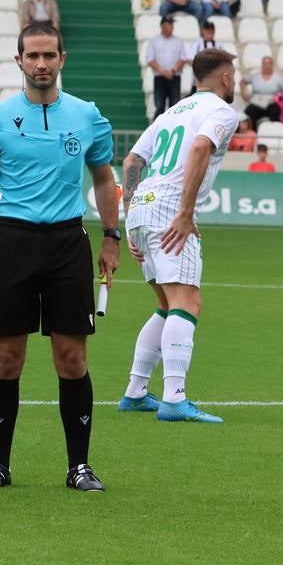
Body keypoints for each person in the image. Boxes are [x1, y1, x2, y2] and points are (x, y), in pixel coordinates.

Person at [0, 22, 118, 492]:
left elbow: (104, 179)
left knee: (71, 358)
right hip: (13, 242)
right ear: (19, 61)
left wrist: (111, 237)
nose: (42, 64)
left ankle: (79, 467)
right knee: (6, 359)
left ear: (62, 58)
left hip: (68, 243)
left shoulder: (87, 115)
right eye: (33, 56)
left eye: (49, 55)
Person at [119, 48, 238, 424]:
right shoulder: (221, 111)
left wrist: (131, 222)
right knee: (187, 304)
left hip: (143, 207)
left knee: (168, 305)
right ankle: (174, 399)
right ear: (225, 78)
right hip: (171, 210)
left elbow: (131, 162)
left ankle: (136, 392)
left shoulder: (172, 112)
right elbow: (202, 147)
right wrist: (186, 212)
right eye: (234, 75)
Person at [147, 16, 187, 118]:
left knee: (175, 106)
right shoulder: (154, 41)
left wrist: (172, 70)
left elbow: (183, 58)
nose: (172, 26)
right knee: (159, 106)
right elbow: (150, 59)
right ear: (163, 25)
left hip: (175, 77)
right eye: (169, 23)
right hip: (160, 77)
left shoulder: (179, 41)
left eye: (172, 23)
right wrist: (164, 71)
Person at [241, 55, 283, 125]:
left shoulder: (278, 77)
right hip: (257, 103)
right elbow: (243, 82)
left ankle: (276, 132)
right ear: (262, 64)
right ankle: (252, 133)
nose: (267, 66)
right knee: (248, 113)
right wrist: (245, 94)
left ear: (272, 65)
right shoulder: (254, 76)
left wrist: (278, 98)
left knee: (276, 112)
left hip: (272, 103)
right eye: (265, 63)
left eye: (269, 63)